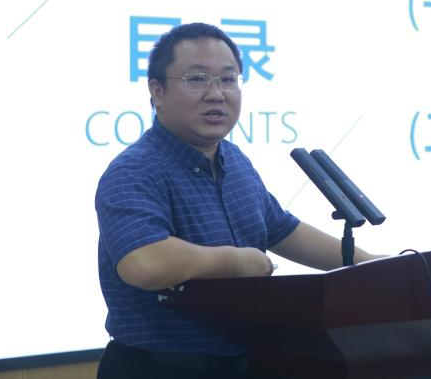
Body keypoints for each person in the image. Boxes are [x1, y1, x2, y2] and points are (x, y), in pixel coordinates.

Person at [95, 22, 378, 379]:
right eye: (197, 79)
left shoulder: (234, 160)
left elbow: (281, 229)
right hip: (159, 368)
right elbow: (145, 263)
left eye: (228, 79)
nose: (216, 94)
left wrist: (371, 267)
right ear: (157, 91)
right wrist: (236, 261)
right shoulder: (135, 170)